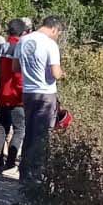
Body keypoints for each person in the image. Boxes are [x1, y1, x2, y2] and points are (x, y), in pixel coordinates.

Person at [14, 16, 64, 181]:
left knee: (29, 131)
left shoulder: (22, 41)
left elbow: (15, 67)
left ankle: (24, 170)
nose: (57, 37)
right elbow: (56, 73)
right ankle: (35, 174)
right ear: (54, 29)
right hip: (45, 93)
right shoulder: (50, 44)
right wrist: (63, 74)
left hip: (28, 92)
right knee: (41, 135)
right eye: (58, 34)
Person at [0, 18, 27, 172]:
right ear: (23, 32)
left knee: (2, 127)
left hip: (0, 94)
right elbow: (19, 76)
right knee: (19, 129)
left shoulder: (0, 47)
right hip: (15, 97)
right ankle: (11, 162)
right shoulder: (20, 48)